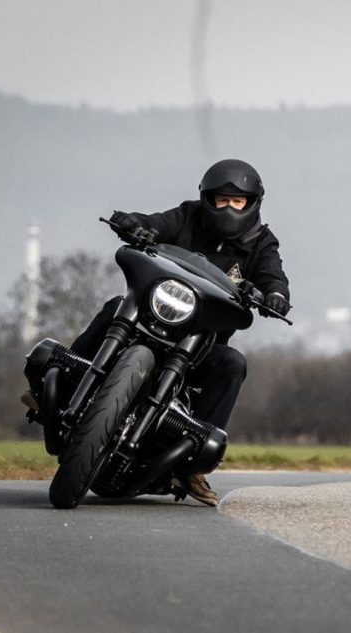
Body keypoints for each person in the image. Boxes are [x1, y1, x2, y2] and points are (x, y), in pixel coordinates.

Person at [70, 159, 291, 505]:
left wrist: (275, 296)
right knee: (115, 307)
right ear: (208, 199)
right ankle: (71, 375)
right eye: (222, 200)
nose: (229, 208)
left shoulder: (262, 243)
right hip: (150, 321)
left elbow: (273, 277)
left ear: (252, 204)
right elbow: (155, 223)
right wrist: (133, 223)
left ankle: (192, 465)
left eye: (237, 201)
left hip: (200, 347)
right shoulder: (188, 216)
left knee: (232, 363)